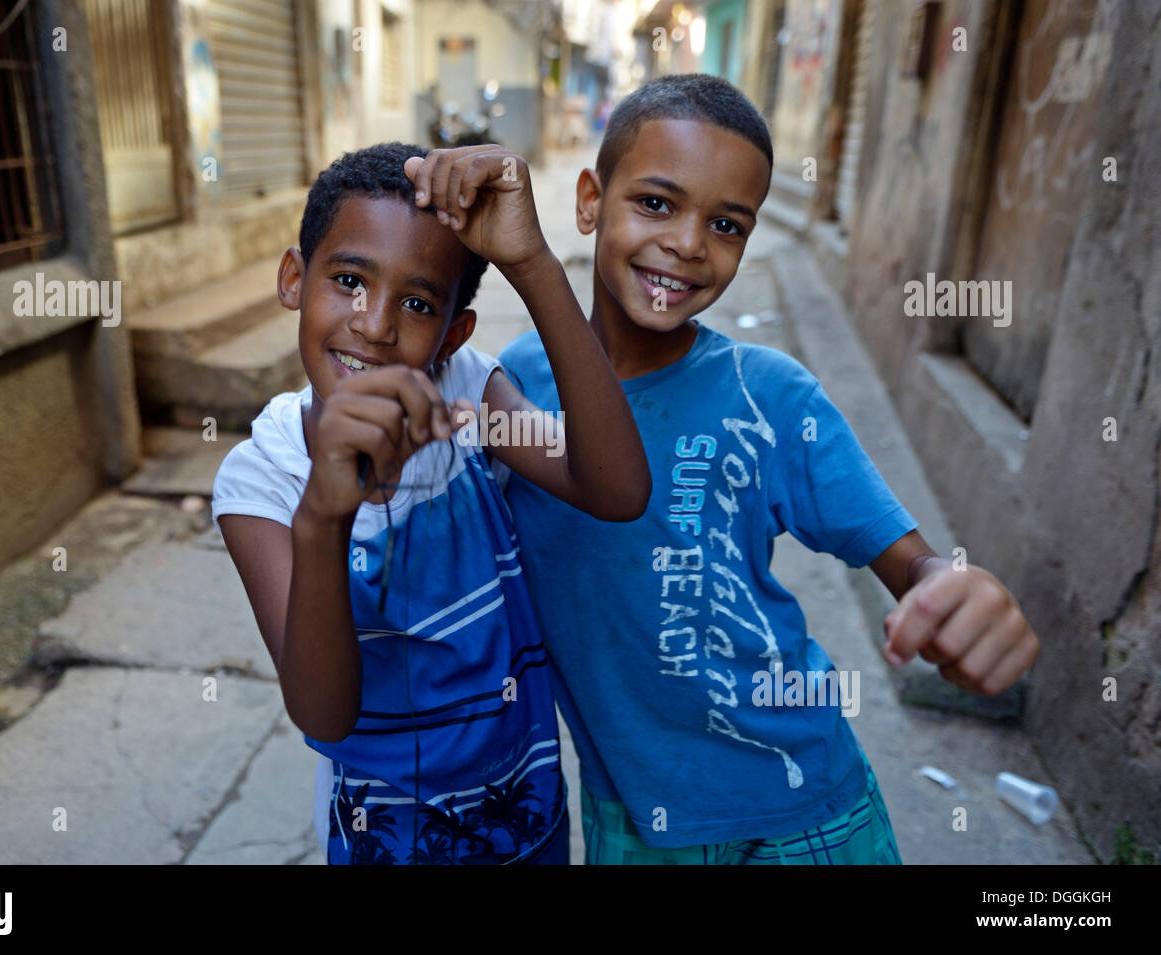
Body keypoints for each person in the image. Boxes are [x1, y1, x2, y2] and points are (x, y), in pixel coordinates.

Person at [499, 74, 1041, 865]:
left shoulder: (772, 395)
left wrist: (948, 590)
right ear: (589, 201)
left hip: (804, 812)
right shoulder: (515, 385)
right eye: (656, 203)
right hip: (633, 819)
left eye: (725, 224)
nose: (689, 243)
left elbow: (910, 561)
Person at [211, 141, 649, 865]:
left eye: (416, 303)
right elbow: (322, 709)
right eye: (349, 279)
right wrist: (324, 515)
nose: (375, 324)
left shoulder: (464, 394)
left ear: (452, 335)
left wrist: (531, 259)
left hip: (527, 819)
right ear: (295, 278)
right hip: (386, 841)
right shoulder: (263, 479)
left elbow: (616, 487)